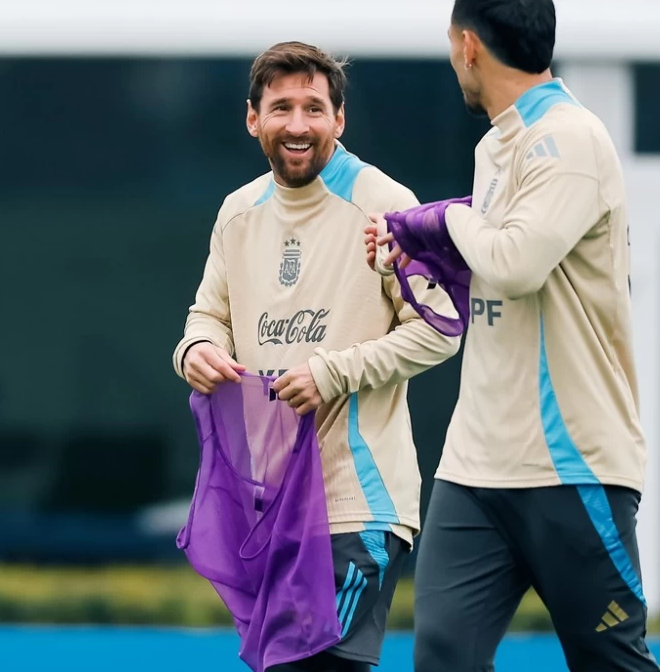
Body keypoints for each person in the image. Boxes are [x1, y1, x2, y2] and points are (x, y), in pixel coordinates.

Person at [366, 0, 660, 671]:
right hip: (477, 466)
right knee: (442, 658)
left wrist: (445, 218)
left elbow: (521, 260)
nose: (451, 61)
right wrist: (415, 253)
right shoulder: (497, 145)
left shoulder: (571, 139)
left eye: (449, 47)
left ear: (468, 47)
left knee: (610, 660)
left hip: (572, 463)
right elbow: (497, 284)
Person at [174, 41, 460, 671]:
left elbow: (442, 328)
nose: (297, 125)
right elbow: (208, 315)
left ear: (340, 119)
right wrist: (196, 350)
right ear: (253, 119)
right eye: (281, 108)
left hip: (357, 505)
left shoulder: (385, 201)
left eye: (313, 107)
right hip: (267, 507)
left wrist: (334, 373)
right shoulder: (237, 213)